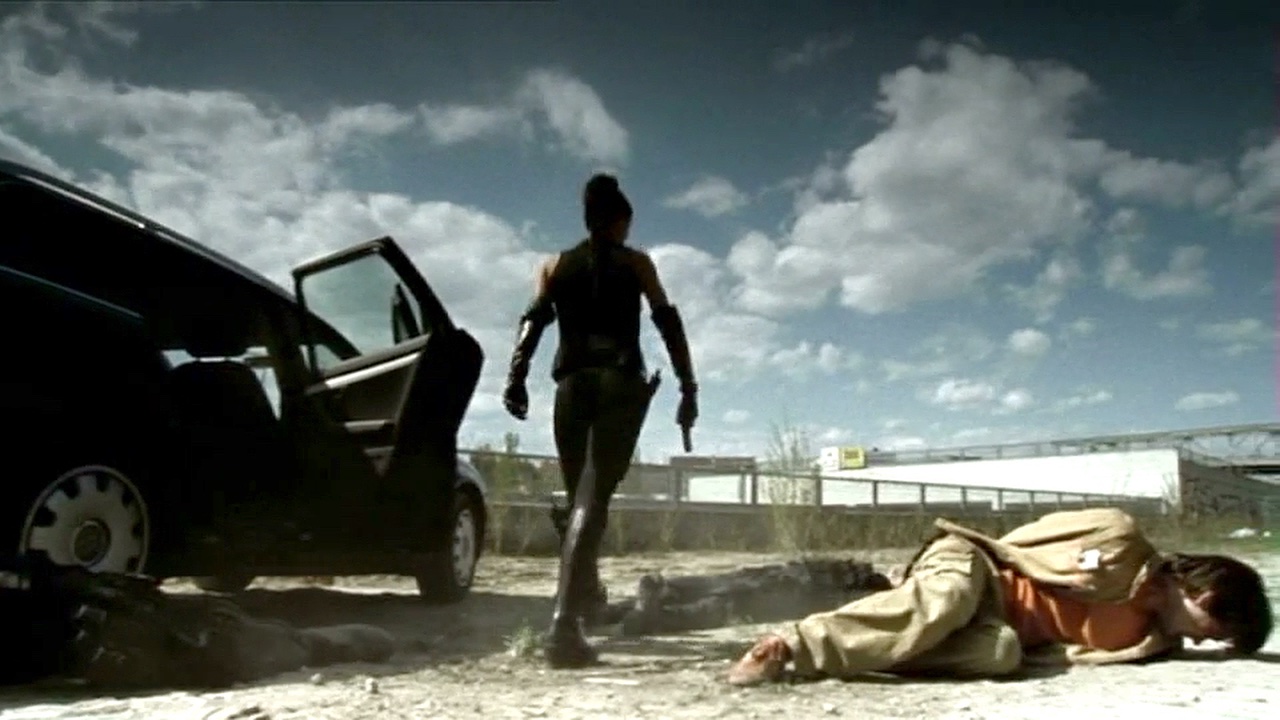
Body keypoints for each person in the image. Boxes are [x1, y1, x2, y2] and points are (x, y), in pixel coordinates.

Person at [502, 172, 699, 668]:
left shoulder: (553, 265)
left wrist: (516, 375)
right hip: (617, 385)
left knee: (580, 500)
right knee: (592, 500)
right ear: (619, 222)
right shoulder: (636, 263)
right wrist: (688, 385)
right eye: (627, 224)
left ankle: (586, 601)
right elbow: (667, 321)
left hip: (571, 388)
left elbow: (533, 320)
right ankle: (563, 625)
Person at [725, 507, 1273, 686]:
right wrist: (928, 572)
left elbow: (1060, 652)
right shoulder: (1119, 537)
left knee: (1000, 654)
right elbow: (1021, 542)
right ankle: (792, 646)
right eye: (1217, 630)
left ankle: (874, 648)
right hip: (976, 571)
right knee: (947, 601)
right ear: (1205, 593)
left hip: (992, 626)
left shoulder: (1152, 642)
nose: (1206, 641)